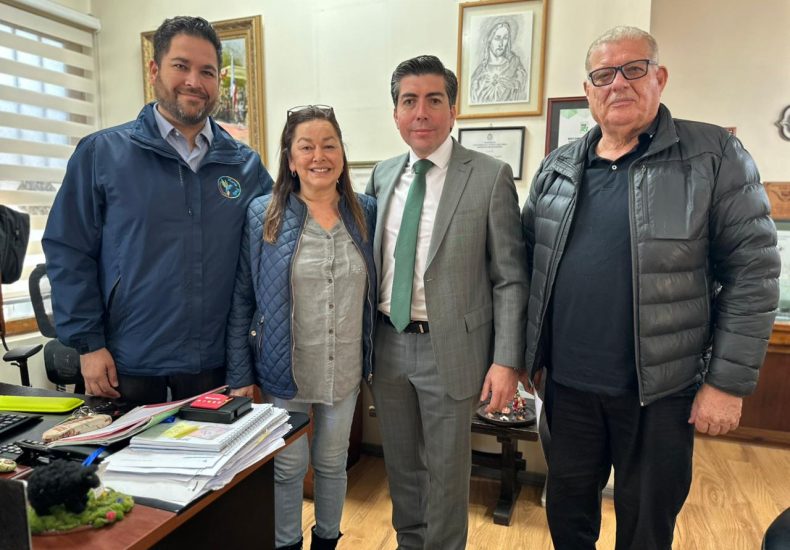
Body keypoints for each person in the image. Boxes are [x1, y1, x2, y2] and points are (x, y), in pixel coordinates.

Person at [521, 26, 779, 549]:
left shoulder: (714, 155)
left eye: (633, 69)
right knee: (567, 519)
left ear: (659, 77)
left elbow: (754, 274)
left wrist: (726, 384)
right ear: (588, 90)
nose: (618, 83)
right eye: (603, 75)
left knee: (646, 529)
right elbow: (527, 267)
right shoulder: (557, 168)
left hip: (660, 393)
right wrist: (526, 358)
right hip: (567, 389)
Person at [42, 16, 272, 404]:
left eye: (207, 71)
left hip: (216, 366)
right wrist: (88, 344)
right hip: (127, 364)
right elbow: (68, 251)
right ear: (154, 70)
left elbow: (271, 256)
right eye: (181, 66)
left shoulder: (245, 166)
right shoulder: (101, 154)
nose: (194, 81)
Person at [367, 55, 527, 549]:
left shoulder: (490, 176)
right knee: (401, 468)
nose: (421, 112)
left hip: (452, 350)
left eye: (434, 100)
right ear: (395, 113)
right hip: (388, 345)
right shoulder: (382, 175)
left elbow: (510, 278)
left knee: (447, 473)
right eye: (409, 101)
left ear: (453, 110)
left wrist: (506, 361)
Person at [226, 105, 376, 550]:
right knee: (288, 466)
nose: (319, 156)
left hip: (343, 368)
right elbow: (243, 299)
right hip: (284, 369)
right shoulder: (262, 214)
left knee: (332, 463)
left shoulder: (365, 211)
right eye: (306, 147)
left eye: (329, 145)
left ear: (342, 155)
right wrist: (239, 374)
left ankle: (327, 540)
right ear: (290, 159)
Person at [470, 20, 528, 105]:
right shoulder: (479, 73)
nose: (501, 44)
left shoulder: (516, 67)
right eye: (497, 38)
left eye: (505, 38)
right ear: (489, 40)